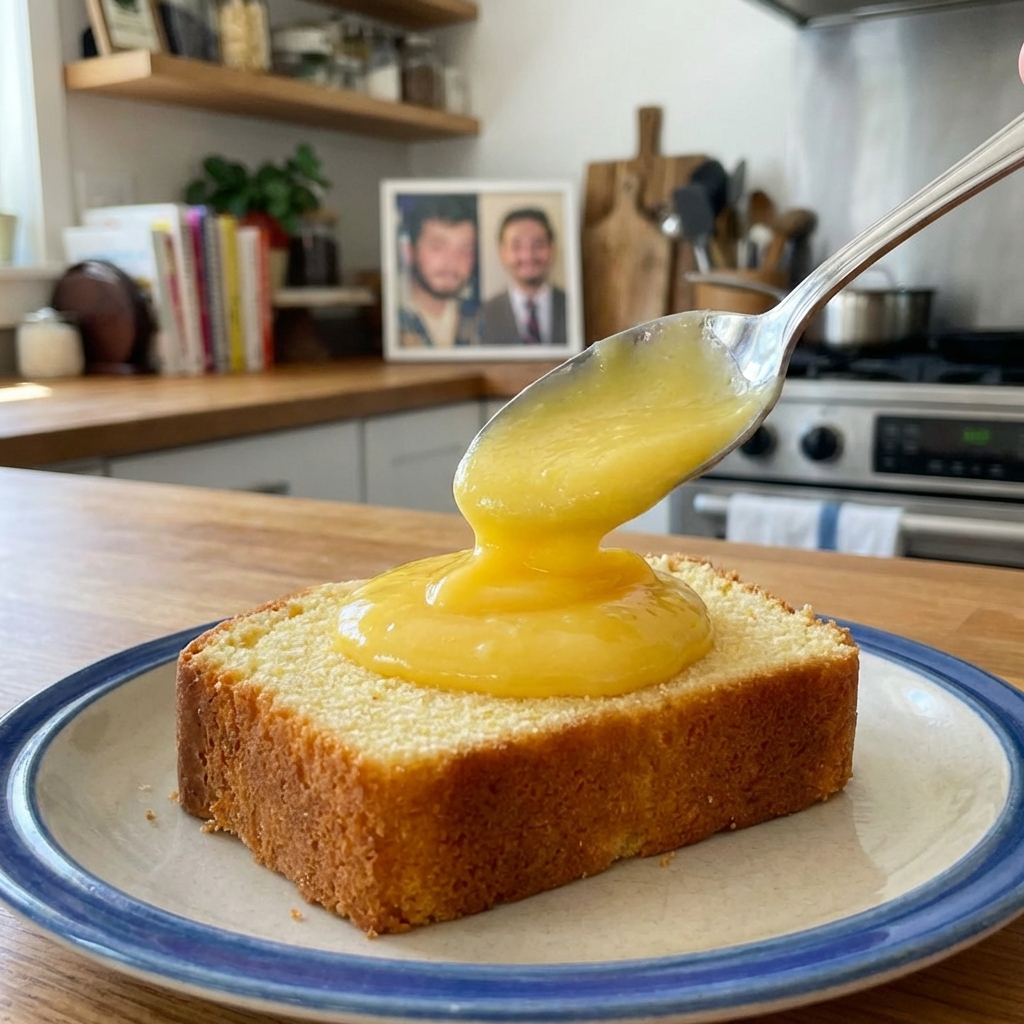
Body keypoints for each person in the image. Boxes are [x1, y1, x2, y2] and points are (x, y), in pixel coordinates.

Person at [399, 194, 481, 349]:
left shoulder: (482, 316)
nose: (452, 262)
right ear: (410, 251)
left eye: (465, 250)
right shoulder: (392, 319)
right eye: (437, 247)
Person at [482, 208, 567, 346]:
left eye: (538, 245)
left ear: (552, 249)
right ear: (502, 253)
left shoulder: (573, 306)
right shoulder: (484, 315)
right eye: (517, 246)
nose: (528, 256)